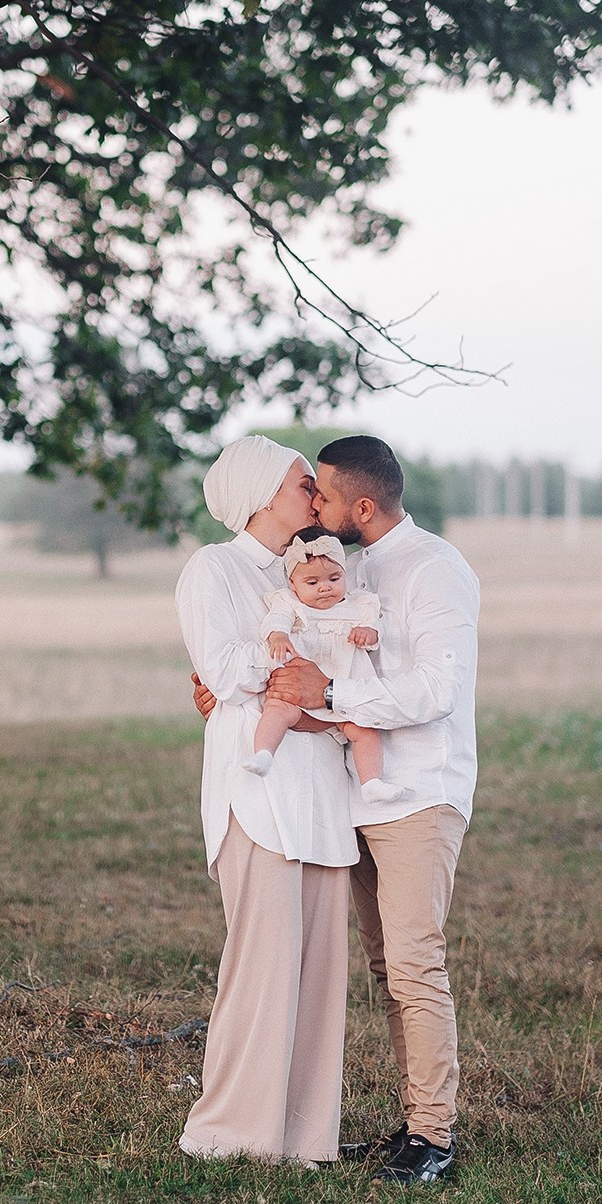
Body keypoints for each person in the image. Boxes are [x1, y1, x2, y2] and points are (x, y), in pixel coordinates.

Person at [194, 434, 479, 1187]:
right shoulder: (340, 563)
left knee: (416, 964)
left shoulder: (435, 569)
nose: (312, 505)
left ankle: (434, 1137)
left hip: (418, 791)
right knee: (386, 965)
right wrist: (239, 691)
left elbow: (434, 691)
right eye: (304, 490)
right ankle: (411, 1123)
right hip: (348, 793)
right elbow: (273, 646)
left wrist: (327, 697)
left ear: (360, 504)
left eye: (320, 494)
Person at [175, 435, 359, 1165]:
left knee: (319, 976)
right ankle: (229, 1134)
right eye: (302, 483)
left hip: (322, 789)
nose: (315, 495)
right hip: (255, 794)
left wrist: (315, 663)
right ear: (259, 492)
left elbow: (349, 664)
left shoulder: (320, 569)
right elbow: (219, 671)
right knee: (261, 969)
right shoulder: (212, 570)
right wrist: (288, 656)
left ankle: (305, 1137)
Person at [247, 527, 404, 808]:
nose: (325, 587)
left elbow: (375, 628)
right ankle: (263, 754)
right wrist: (279, 635)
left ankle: (371, 783)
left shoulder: (360, 604)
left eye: (334, 578)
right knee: (277, 711)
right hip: (302, 689)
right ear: (293, 584)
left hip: (344, 692)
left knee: (366, 731)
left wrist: (369, 633)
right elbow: (275, 621)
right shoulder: (290, 603)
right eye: (312, 582)